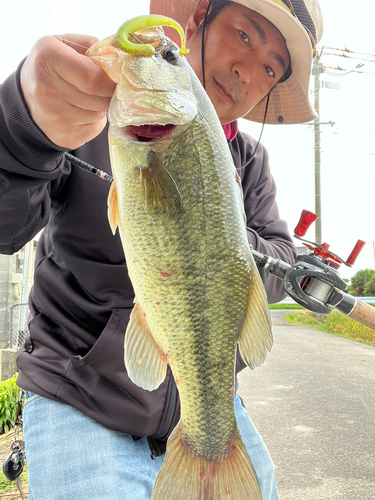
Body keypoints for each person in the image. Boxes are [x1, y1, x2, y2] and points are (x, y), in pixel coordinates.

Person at [0, 0, 323, 498]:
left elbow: (279, 265)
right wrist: (23, 129)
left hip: (213, 403)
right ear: (198, 22)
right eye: (244, 35)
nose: (246, 69)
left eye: (270, 67)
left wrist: (216, 232)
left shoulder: (252, 163)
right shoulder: (86, 116)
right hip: (80, 398)